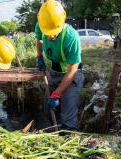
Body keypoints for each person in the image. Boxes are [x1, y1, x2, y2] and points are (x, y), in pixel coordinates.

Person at [36, 0, 84, 132]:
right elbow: (39, 40)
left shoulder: (71, 37)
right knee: (52, 111)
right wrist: (39, 57)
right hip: (54, 74)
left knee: (67, 116)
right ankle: (55, 133)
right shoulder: (42, 24)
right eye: (48, 31)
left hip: (71, 76)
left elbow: (72, 70)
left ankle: (68, 136)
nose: (50, 35)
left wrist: (57, 94)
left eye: (54, 31)